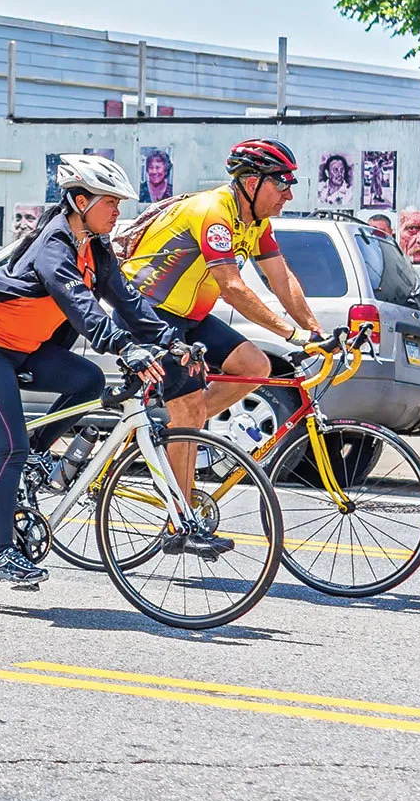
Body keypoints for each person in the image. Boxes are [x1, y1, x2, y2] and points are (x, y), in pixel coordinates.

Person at [0, 155, 184, 584]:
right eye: (110, 202)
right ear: (79, 201)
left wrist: (170, 339)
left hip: (25, 349)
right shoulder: (53, 245)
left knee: (89, 380)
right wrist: (123, 346)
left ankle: (35, 456)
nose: (118, 211)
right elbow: (78, 303)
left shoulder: (95, 247)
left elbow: (127, 301)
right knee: (10, 450)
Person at [126, 139, 325, 551]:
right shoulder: (215, 214)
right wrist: (291, 334)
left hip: (191, 317)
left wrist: (315, 330)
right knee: (190, 408)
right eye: (282, 184)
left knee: (256, 366)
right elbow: (232, 288)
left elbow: (282, 278)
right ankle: (179, 523)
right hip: (149, 313)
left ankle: (174, 430)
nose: (289, 193)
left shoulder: (254, 223)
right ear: (252, 182)